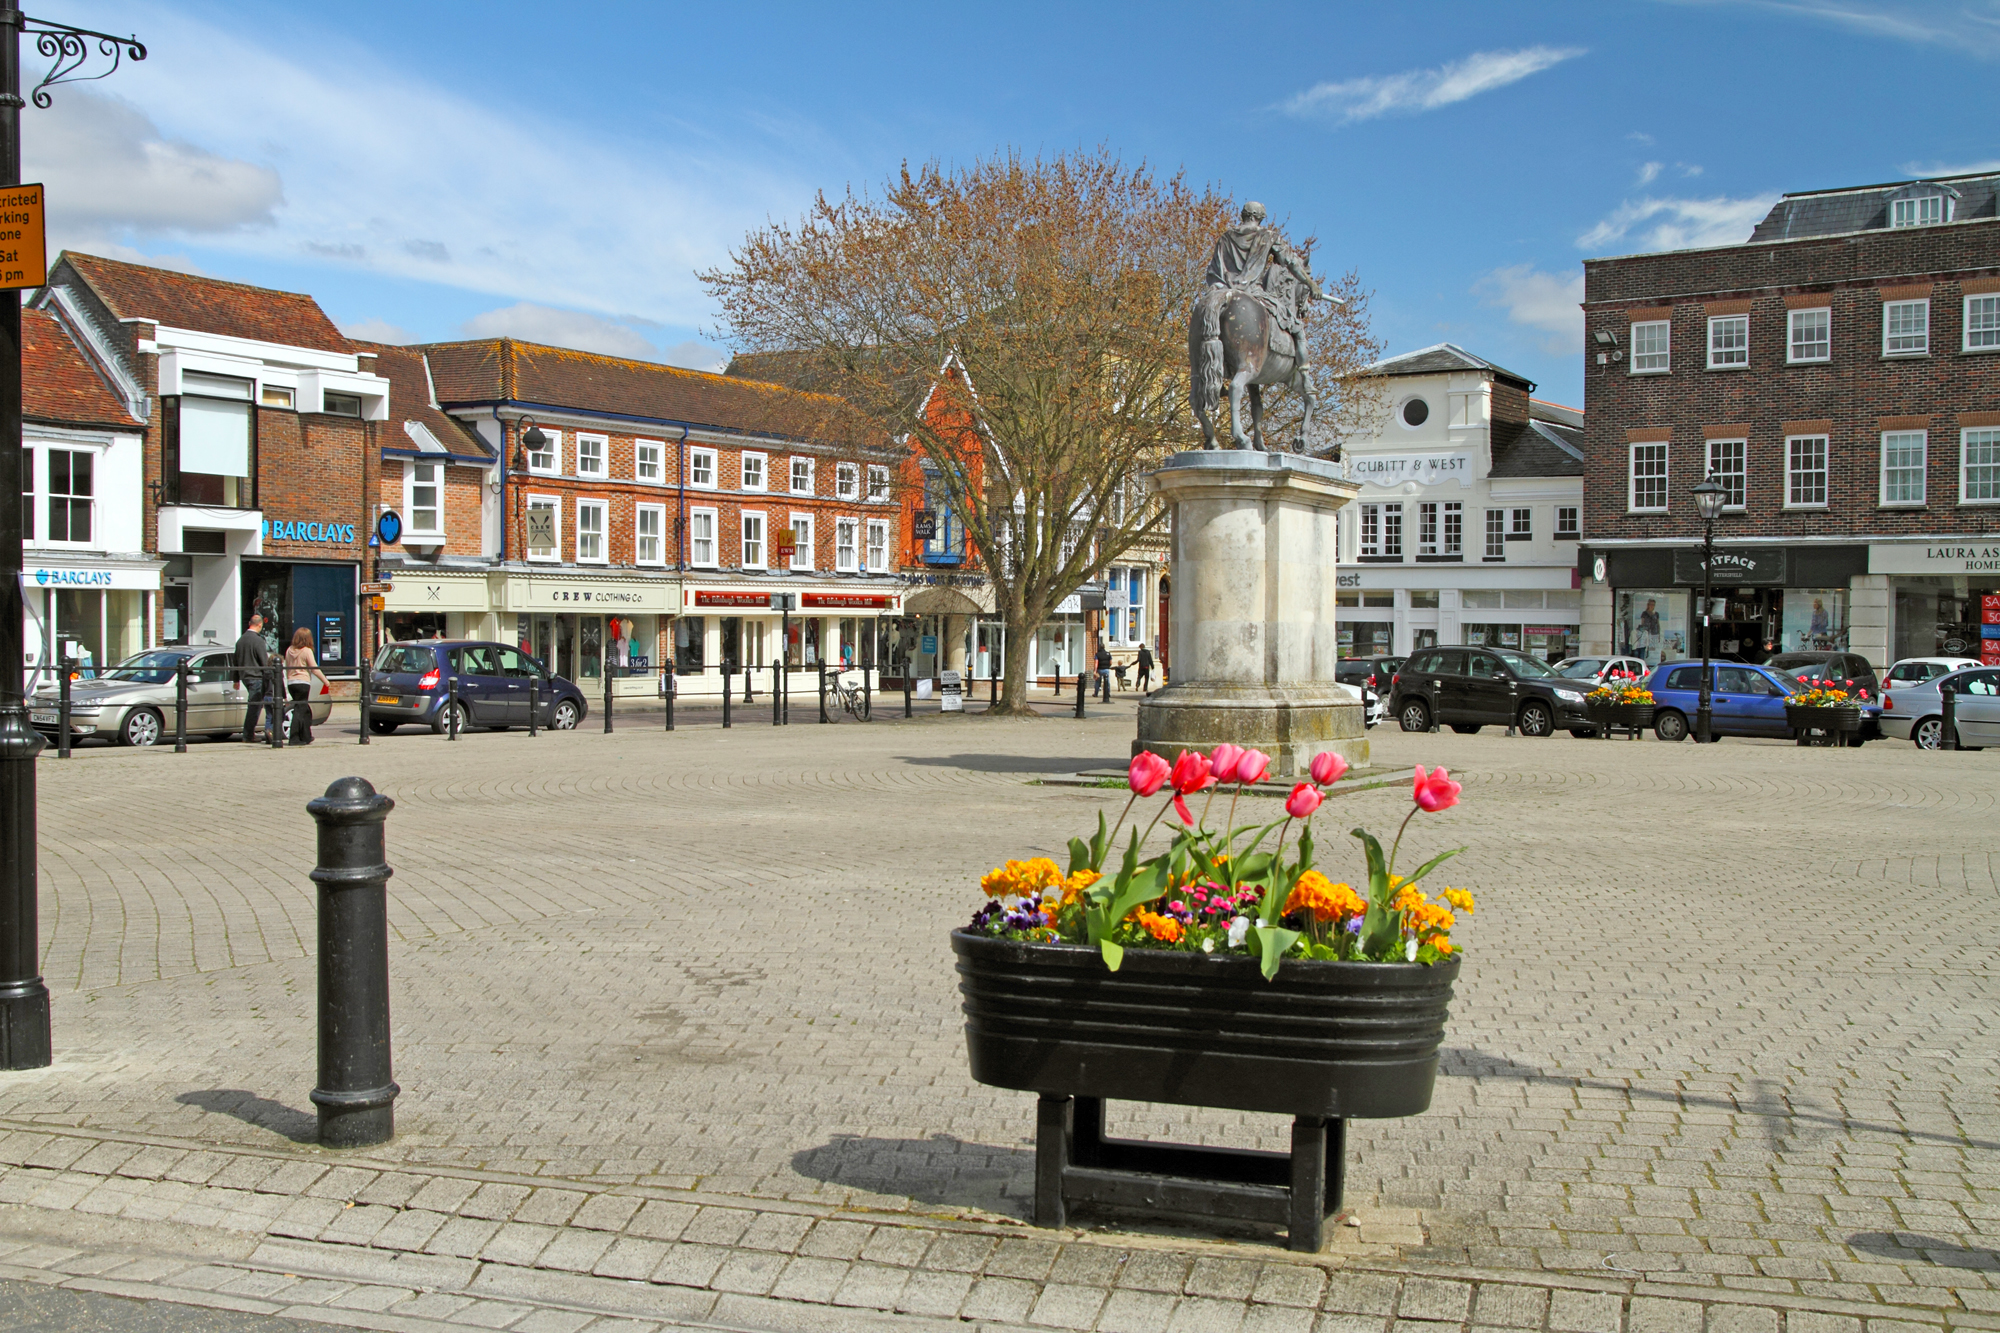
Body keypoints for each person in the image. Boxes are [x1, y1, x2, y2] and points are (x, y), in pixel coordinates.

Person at [283, 627, 331, 744]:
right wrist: (325, 681)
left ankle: (306, 736)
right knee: (300, 710)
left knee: (305, 709)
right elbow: (314, 669)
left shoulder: (289, 650)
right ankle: (294, 738)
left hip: (292, 683)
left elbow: (286, 666)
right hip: (303, 682)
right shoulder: (306, 651)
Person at [235, 613, 272, 742]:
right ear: (259, 624)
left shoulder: (240, 640)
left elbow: (236, 660)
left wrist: (236, 679)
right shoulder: (258, 641)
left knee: (253, 705)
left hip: (245, 676)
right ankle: (248, 735)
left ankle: (249, 734)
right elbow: (264, 661)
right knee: (255, 707)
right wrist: (269, 678)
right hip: (256, 677)